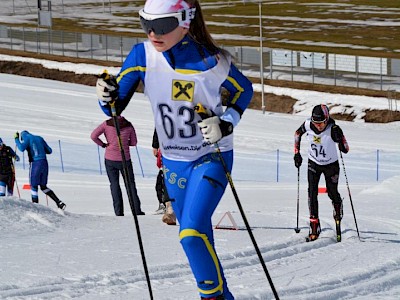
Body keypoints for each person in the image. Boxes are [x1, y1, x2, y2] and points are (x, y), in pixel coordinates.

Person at [95, 0, 253, 298]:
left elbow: (244, 90)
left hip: (210, 157)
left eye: (163, 25)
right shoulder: (142, 56)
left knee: (191, 234)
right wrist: (106, 95)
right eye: (145, 23)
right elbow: (115, 108)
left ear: (185, 20)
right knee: (199, 237)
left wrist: (226, 122)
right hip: (173, 162)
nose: (153, 32)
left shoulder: (212, 61)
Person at [293, 104, 349, 241]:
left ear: (327, 119)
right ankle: (314, 224)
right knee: (312, 193)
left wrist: (340, 139)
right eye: (315, 123)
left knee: (332, 192)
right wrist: (297, 153)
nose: (318, 126)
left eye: (321, 123)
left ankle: (337, 206)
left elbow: (346, 149)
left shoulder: (333, 128)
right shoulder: (307, 124)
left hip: (331, 165)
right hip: (313, 163)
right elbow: (297, 134)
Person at [91, 115, 144, 216]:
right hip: (125, 160)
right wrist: (124, 142)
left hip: (110, 159)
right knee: (130, 185)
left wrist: (103, 144)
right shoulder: (128, 125)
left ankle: (119, 212)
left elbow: (93, 136)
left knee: (114, 185)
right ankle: (137, 210)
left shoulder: (107, 124)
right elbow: (134, 142)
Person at [14, 131, 66, 210]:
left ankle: (35, 207)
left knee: (33, 185)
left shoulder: (27, 138)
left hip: (35, 163)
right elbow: (49, 150)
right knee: (43, 186)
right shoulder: (39, 138)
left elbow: (21, 148)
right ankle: (59, 202)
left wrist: (16, 139)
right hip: (44, 163)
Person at [152, 129, 177, 225]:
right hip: (169, 147)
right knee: (168, 177)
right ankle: (170, 209)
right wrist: (155, 144)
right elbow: (159, 124)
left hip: (190, 146)